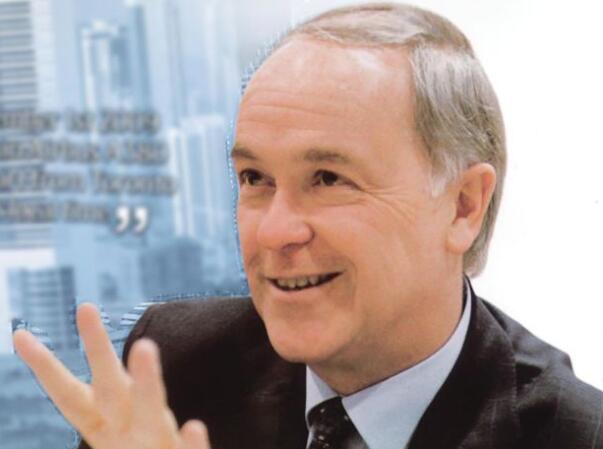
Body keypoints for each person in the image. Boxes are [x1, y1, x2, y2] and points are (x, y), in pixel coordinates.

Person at [13, 3, 603, 449]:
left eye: (327, 179)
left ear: (462, 206)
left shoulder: (576, 434)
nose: (275, 232)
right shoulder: (174, 362)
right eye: (254, 178)